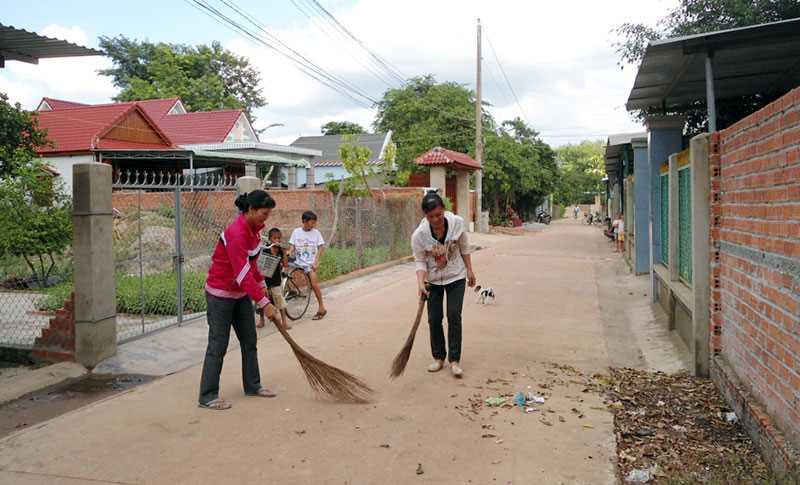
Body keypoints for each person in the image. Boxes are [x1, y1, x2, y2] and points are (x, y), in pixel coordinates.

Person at [198, 190, 279, 411]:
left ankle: (253, 385)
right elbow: (242, 274)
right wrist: (263, 303)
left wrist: (261, 284)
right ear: (251, 209)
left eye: (268, 214)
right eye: (264, 213)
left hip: (240, 295)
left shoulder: (255, 232)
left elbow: (252, 265)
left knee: (249, 340)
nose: (266, 218)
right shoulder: (236, 233)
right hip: (220, 295)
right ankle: (207, 396)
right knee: (218, 344)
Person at [411, 191, 476, 378]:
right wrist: (420, 282)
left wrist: (470, 270)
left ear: (444, 210)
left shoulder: (457, 223)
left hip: (456, 275)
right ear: (426, 216)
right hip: (433, 279)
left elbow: (464, 246)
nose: (436, 220)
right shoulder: (419, 235)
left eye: (438, 215)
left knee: (454, 316)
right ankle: (439, 357)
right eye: (431, 216)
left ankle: (454, 360)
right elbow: (419, 261)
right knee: (434, 318)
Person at [289, 211, 327, 320]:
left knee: (314, 284)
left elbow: (321, 247)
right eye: (312, 222)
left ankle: (321, 308)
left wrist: (316, 262)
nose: (314, 225)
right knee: (283, 267)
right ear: (304, 221)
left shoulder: (316, 233)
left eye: (315, 222)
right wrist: (290, 251)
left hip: (309, 263)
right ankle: (289, 290)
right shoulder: (296, 232)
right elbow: (292, 245)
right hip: (297, 261)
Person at [257, 228, 292, 331]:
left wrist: (284, 253)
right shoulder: (265, 249)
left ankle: (284, 321)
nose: (277, 240)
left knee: (279, 301)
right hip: (264, 281)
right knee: (262, 301)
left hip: (276, 281)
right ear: (269, 239)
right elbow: (260, 265)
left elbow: (285, 264)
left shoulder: (280, 250)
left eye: (279, 238)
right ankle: (262, 320)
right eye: (274, 238)